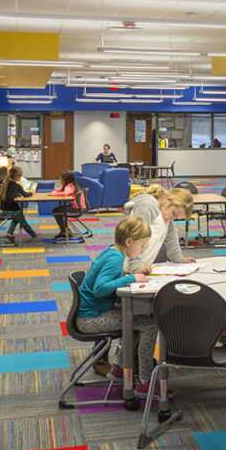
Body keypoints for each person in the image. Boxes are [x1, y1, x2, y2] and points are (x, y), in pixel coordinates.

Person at [75, 216, 160, 399]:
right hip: (90, 319)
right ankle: (145, 382)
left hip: (91, 313)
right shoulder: (115, 258)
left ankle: (121, 369)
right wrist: (131, 279)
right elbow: (99, 289)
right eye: (142, 245)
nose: (143, 250)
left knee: (138, 323)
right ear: (129, 241)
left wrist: (130, 273)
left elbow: (109, 278)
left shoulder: (112, 252)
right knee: (150, 325)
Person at [122, 185, 196, 272]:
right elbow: (135, 235)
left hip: (141, 268)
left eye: (176, 218)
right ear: (168, 200)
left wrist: (178, 258)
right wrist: (136, 266)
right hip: (126, 268)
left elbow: (171, 239)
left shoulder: (166, 216)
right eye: (174, 213)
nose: (172, 219)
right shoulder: (147, 206)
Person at [0, 165, 38, 243]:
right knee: (22, 220)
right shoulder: (17, 186)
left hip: (4, 210)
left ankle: (9, 234)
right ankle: (32, 234)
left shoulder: (5, 184)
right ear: (18, 176)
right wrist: (31, 192)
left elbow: (10, 195)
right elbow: (26, 195)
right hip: (12, 210)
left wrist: (17, 195)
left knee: (17, 218)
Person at [51, 170, 88, 240]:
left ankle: (64, 231)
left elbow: (65, 193)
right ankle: (65, 230)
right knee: (56, 210)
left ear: (66, 180)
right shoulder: (72, 184)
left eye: (61, 179)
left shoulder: (69, 186)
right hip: (80, 207)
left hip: (76, 209)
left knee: (57, 213)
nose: (59, 181)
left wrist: (53, 194)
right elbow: (60, 189)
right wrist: (54, 192)